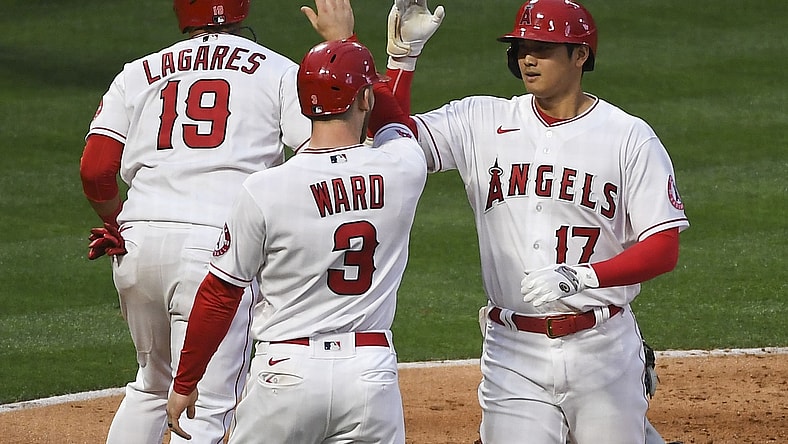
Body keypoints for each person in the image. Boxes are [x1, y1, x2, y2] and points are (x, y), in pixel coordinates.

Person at [377, 0, 689, 442]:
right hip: (513, 352)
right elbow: (395, 144)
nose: (527, 58)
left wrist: (582, 276)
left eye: (542, 48)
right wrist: (402, 60)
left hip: (602, 347)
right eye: (522, 47)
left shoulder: (628, 137)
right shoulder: (482, 120)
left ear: (580, 55)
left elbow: (664, 248)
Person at [165, 3, 428, 443]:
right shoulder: (402, 168)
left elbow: (219, 294)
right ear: (363, 96)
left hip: (285, 377)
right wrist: (351, 43)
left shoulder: (265, 189)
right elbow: (392, 117)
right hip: (370, 376)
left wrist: (185, 382)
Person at [78, 0, 313, 442]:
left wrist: (117, 222)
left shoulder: (139, 71)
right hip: (217, 250)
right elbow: (311, 154)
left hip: (138, 241)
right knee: (206, 408)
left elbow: (95, 169)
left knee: (150, 385)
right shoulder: (281, 71)